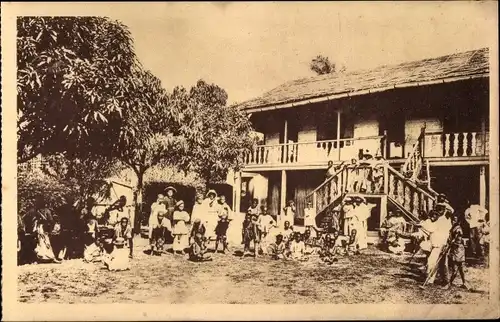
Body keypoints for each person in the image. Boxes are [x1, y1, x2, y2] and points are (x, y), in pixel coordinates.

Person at [419, 210, 452, 287]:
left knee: (432, 262)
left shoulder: (441, 223)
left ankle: (441, 280)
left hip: (439, 246)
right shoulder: (442, 222)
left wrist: (421, 225)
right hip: (438, 245)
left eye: (434, 216)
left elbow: (431, 229)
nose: (432, 218)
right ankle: (431, 279)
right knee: (435, 264)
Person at [442, 214, 469, 290]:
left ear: (458, 221)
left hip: (459, 250)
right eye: (453, 219)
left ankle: (453, 283)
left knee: (459, 268)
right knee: (456, 268)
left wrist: (451, 243)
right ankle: (454, 283)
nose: (454, 221)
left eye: (455, 220)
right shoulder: (452, 228)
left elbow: (458, 241)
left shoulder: (458, 229)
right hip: (454, 250)